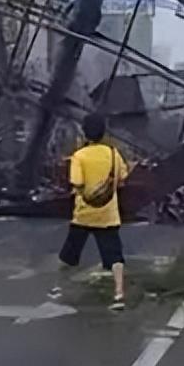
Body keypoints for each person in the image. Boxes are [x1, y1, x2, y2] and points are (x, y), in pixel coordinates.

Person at [53, 113, 130, 311]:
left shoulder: (79, 156)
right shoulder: (114, 154)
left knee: (68, 256)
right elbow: (122, 179)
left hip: (84, 214)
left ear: (85, 133)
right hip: (108, 214)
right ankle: (119, 294)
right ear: (103, 132)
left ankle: (58, 289)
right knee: (115, 257)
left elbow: (77, 183)